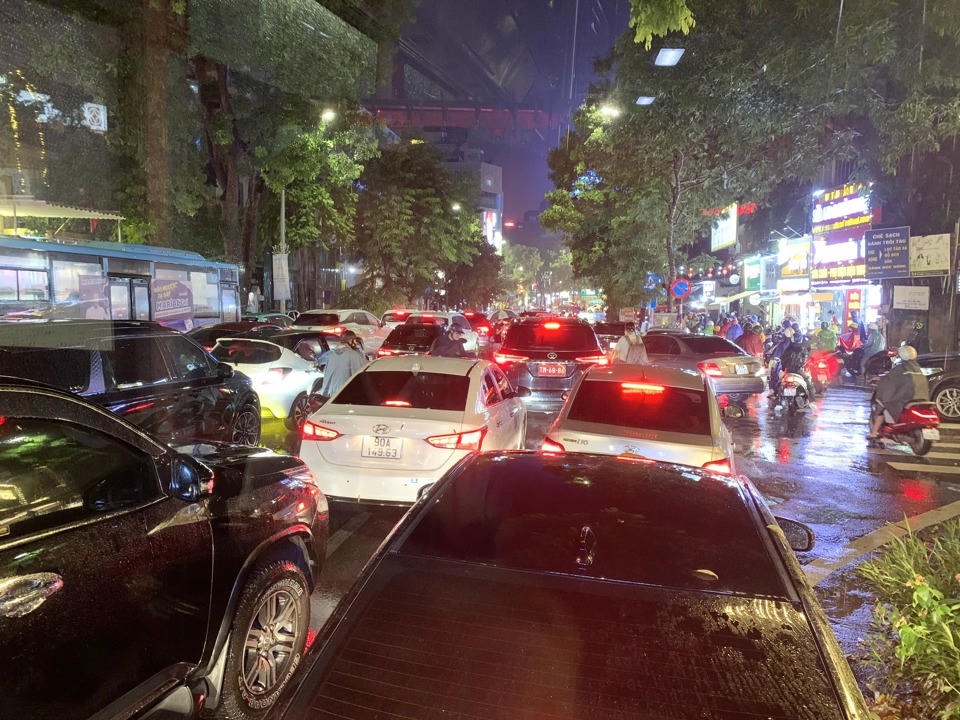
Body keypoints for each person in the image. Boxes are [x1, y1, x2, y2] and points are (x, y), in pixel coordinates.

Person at [869, 345, 930, 439]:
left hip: (903, 400)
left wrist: (880, 380)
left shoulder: (900, 369)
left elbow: (889, 382)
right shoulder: (918, 369)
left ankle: (873, 433)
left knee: (882, 407)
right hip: (921, 399)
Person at [318, 330, 366, 400]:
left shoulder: (330, 355)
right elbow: (365, 369)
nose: (355, 343)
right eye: (355, 341)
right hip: (346, 395)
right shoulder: (354, 355)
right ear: (351, 341)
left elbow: (319, 363)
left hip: (331, 395)